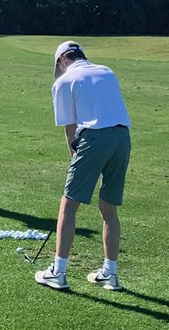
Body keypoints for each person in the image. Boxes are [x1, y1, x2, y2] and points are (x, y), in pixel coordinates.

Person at [34, 42, 132, 291]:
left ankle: (58, 272)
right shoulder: (106, 71)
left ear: (60, 62)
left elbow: (70, 128)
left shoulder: (63, 82)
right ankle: (110, 274)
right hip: (122, 138)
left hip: (94, 137)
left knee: (68, 204)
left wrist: (73, 155)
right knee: (108, 207)